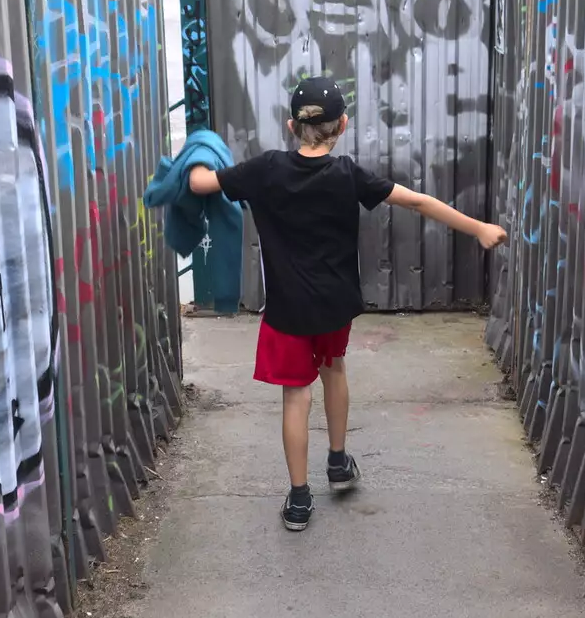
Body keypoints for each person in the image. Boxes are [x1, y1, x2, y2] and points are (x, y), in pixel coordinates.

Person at [186, 77, 508, 532]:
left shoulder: (264, 170)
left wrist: (198, 153)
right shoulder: (348, 174)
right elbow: (416, 201)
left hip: (287, 313)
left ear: (290, 125)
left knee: (296, 396)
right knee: (334, 368)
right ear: (343, 125)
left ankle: (299, 501)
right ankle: (338, 463)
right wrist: (476, 227)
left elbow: (201, 183)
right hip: (334, 305)